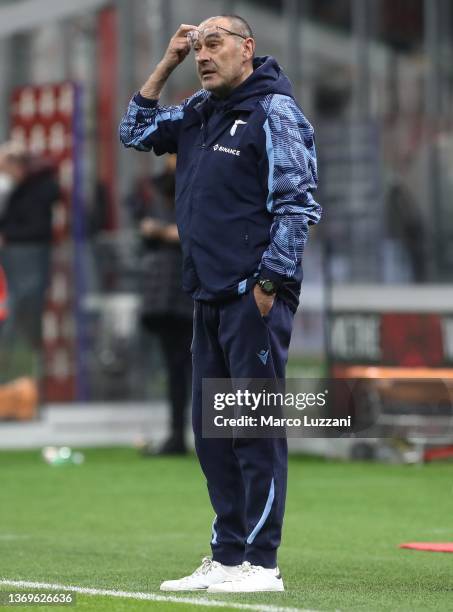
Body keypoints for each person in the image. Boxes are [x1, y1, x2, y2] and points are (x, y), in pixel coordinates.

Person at [119, 14, 321, 593]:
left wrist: (268, 286)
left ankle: (263, 564)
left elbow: (298, 204)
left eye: (214, 44)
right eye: (196, 46)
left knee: (252, 431)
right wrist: (166, 63)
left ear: (247, 48)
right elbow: (135, 130)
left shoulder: (275, 112)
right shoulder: (201, 111)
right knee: (211, 434)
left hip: (249, 299)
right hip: (205, 297)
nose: (202, 55)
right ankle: (228, 556)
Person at [128, 155, 193, 455]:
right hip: (167, 288)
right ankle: (177, 435)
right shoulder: (155, 187)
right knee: (176, 366)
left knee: (203, 366)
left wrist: (166, 232)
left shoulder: (199, 179)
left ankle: (205, 437)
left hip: (194, 283)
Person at [0, 143, 59, 377]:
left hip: (27, 260)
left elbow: (38, 228)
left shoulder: (40, 189)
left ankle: (21, 378)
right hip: (17, 263)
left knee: (24, 319)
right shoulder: (15, 189)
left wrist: (8, 237)